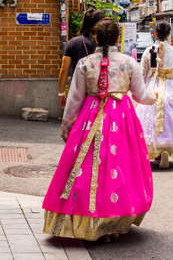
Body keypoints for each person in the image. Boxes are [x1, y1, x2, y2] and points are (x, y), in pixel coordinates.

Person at [43, 19, 157, 241]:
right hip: (122, 120)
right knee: (120, 166)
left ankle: (91, 222)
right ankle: (114, 222)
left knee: (88, 167)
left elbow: (74, 99)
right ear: (117, 38)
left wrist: (66, 127)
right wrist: (155, 98)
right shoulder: (128, 62)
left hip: (90, 116)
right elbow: (141, 95)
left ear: (95, 38)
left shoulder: (85, 63)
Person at [136, 22, 173, 169]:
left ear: (154, 33)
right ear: (169, 34)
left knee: (151, 121)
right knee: (170, 120)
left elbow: (142, 73)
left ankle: (156, 151)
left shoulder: (148, 51)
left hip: (152, 87)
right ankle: (167, 149)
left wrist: (141, 93)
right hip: (170, 86)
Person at [58, 9, 105, 109]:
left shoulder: (72, 43)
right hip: (99, 91)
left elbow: (64, 69)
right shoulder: (104, 44)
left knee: (77, 122)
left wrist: (61, 93)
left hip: (76, 90)